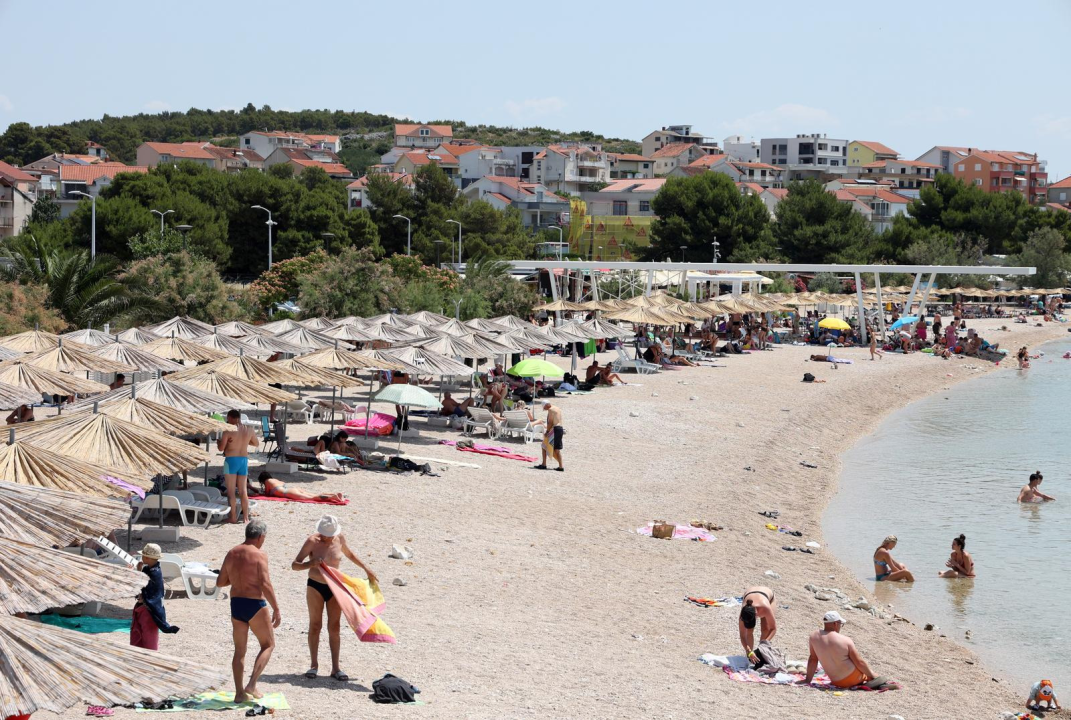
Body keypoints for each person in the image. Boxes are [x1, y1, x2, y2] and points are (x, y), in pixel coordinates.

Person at [291, 516, 378, 681]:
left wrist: (366, 568)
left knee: (334, 627)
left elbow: (349, 554)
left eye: (330, 535)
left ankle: (335, 668)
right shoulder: (312, 541)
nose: (328, 538)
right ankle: (314, 665)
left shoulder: (340, 538)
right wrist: (310, 564)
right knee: (315, 625)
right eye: (325, 535)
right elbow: (295, 565)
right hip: (315, 585)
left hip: (335, 587)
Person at [217, 520, 280, 704]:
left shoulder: (232, 552)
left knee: (239, 651)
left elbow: (220, 582)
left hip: (236, 604)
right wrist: (276, 607)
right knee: (268, 644)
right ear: (261, 536)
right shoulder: (259, 554)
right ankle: (251, 684)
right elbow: (265, 583)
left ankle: (239, 693)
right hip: (254, 604)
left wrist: (237, 579)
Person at [804, 611, 876, 688]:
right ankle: (878, 681)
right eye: (840, 624)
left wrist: (807, 680)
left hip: (836, 682)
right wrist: (872, 676)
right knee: (871, 673)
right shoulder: (845, 640)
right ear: (835, 623)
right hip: (855, 679)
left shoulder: (814, 636)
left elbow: (813, 659)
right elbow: (859, 662)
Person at [130, 543, 179, 650]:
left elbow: (152, 592)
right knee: (138, 632)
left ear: (147, 557)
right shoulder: (148, 570)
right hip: (143, 607)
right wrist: (139, 570)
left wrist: (144, 597)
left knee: (149, 637)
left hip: (149, 611)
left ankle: (150, 657)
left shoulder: (155, 573)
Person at [218, 409, 259, 523]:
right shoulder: (249, 429)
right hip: (243, 460)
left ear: (231, 418)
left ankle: (233, 517)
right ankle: (245, 518)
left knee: (231, 491)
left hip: (231, 460)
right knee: (243, 491)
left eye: (228, 418)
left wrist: (218, 441)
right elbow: (256, 443)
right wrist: (245, 442)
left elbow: (221, 448)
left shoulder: (228, 431)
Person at [738, 586, 777, 665]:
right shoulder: (744, 612)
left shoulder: (765, 608)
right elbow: (742, 635)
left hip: (768, 596)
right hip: (750, 593)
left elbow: (773, 629)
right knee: (749, 630)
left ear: (756, 614)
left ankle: (760, 653)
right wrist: (748, 650)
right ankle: (751, 657)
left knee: (765, 628)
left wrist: (763, 644)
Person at [256, 471, 345, 503]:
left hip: (288, 493)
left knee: (312, 498)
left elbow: (267, 494)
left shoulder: (267, 481)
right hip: (294, 488)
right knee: (313, 494)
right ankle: (334, 494)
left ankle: (332, 497)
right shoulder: (275, 480)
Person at [534, 401, 564, 471]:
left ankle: (544, 464)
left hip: (555, 429)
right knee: (556, 449)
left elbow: (550, 422)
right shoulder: (557, 408)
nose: (545, 409)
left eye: (544, 408)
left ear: (547, 405)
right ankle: (561, 466)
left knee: (544, 446)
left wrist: (547, 431)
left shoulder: (550, 410)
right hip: (560, 429)